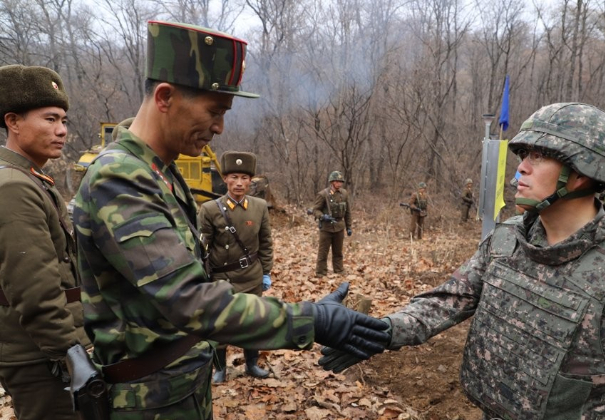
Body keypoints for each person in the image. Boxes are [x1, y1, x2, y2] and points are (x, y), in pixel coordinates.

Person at [73, 20, 389, 418]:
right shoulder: (119, 179)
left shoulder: (159, 171)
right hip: (144, 400)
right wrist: (310, 319)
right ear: (165, 97)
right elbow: (190, 301)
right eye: (214, 111)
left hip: (176, 386)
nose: (220, 127)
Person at [320, 102, 605, 419]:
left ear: (585, 172)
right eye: (523, 156)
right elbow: (448, 300)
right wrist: (384, 331)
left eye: (539, 157)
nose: (521, 168)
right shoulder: (508, 237)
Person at [0, 65, 89, 420]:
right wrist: (72, 355)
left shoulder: (32, 178)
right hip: (41, 358)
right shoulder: (14, 187)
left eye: (64, 120)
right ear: (13, 121)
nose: (62, 130)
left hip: (48, 351)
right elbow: (35, 291)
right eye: (50, 119)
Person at [198, 151, 273, 382]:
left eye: (244, 178)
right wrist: (202, 277)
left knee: (252, 322)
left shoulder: (260, 207)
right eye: (233, 177)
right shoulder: (210, 209)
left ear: (251, 181)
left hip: (251, 275)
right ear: (225, 179)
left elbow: (266, 242)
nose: (239, 183)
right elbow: (202, 247)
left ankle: (251, 365)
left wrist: (266, 272)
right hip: (222, 278)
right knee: (220, 324)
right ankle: (219, 368)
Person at [312, 171, 352, 277]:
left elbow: (347, 212)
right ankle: (321, 272)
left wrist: (349, 227)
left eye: (341, 182)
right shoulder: (323, 194)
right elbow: (315, 210)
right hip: (326, 227)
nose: (339, 184)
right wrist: (322, 216)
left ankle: (339, 270)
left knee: (338, 252)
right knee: (323, 252)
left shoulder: (344, 194)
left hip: (339, 226)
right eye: (337, 181)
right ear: (332, 182)